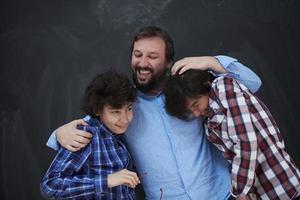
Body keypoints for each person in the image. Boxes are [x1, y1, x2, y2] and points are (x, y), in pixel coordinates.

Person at [46, 26, 262, 199]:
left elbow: (253, 82)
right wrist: (58, 133)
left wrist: (211, 62)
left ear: (168, 62)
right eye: (137, 54)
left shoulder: (189, 91)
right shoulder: (123, 105)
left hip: (221, 194)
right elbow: (87, 127)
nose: (142, 63)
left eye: (152, 56)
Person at [164, 69, 300, 200]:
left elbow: (246, 141)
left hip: (284, 186)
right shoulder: (209, 125)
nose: (196, 113)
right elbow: (235, 160)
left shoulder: (223, 86)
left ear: (206, 85)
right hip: (257, 193)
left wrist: (239, 192)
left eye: (196, 104)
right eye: (190, 110)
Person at [41, 71, 140, 199]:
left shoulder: (117, 134)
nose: (125, 119)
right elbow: (49, 186)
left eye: (129, 109)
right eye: (116, 112)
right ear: (97, 110)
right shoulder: (85, 135)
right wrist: (106, 181)